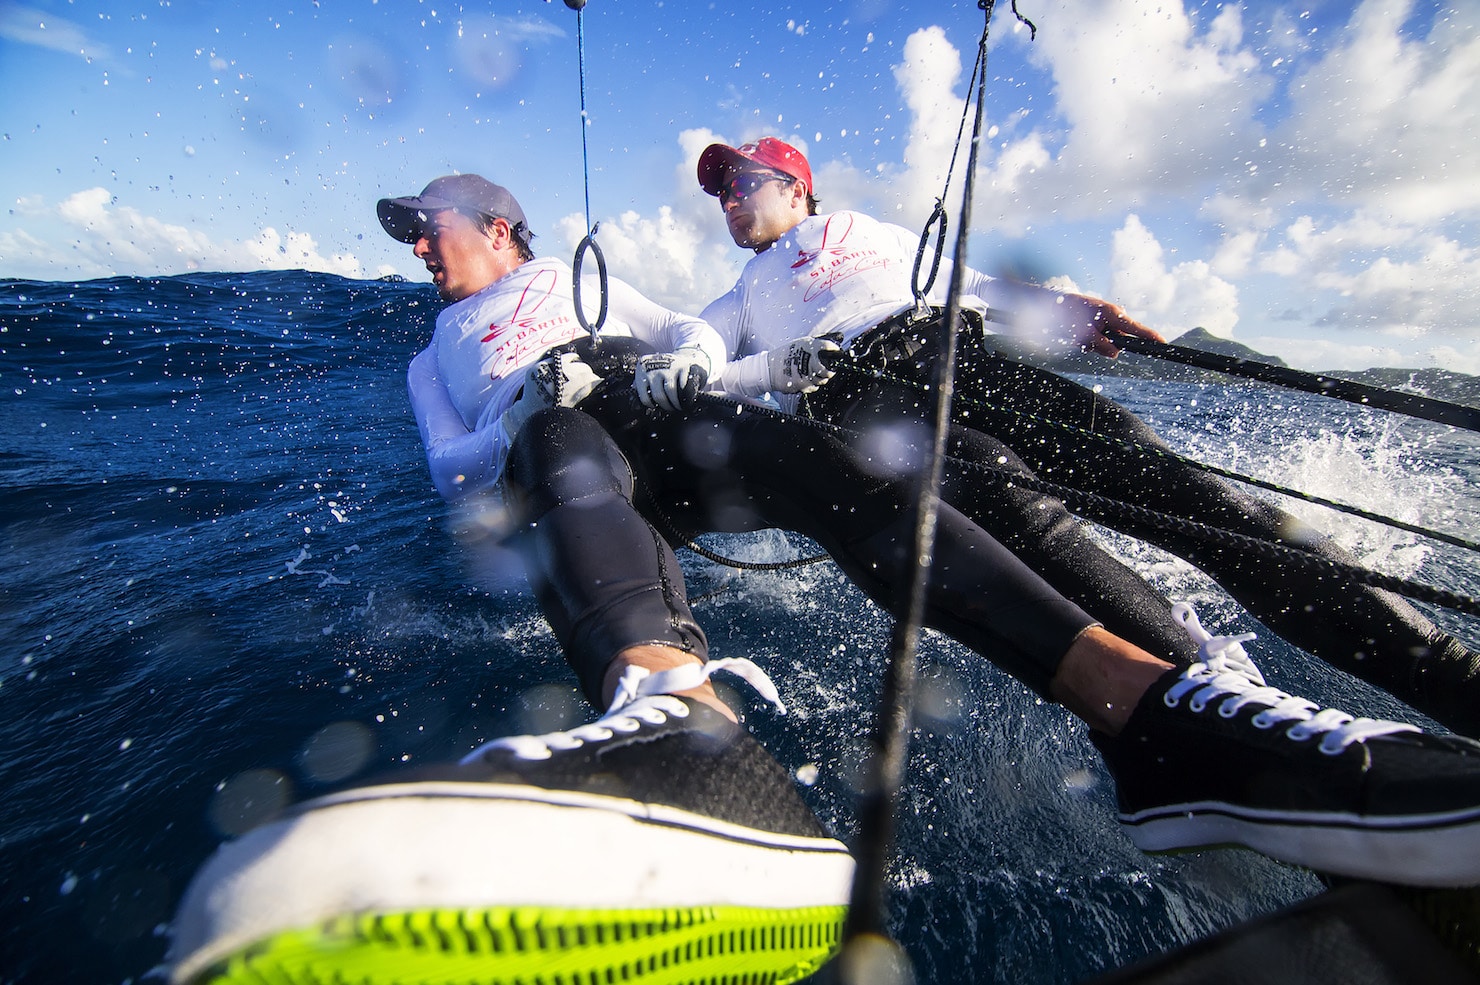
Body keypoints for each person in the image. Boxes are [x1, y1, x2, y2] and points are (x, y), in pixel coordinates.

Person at [167, 172, 1480, 985]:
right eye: (402, 231)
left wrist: (678, 360)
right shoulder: (450, 346)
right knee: (589, 440)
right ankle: (683, 727)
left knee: (1147, 490)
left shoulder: (830, 238)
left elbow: (706, 341)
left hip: (878, 369)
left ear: (497, 223)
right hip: (610, 428)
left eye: (427, 222)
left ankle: (1257, 713)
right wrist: (551, 395)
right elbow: (461, 460)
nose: (415, 244)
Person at [694, 135, 1480, 738]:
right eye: (720, 192)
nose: (728, 199)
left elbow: (966, 283)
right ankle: (1229, 703)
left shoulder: (872, 230)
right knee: (1001, 488)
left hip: (962, 357)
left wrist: (1072, 310)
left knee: (1178, 486)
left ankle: (1451, 677)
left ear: (795, 186)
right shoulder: (741, 293)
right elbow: (696, 359)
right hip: (867, 403)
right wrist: (755, 367)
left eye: (740, 182)